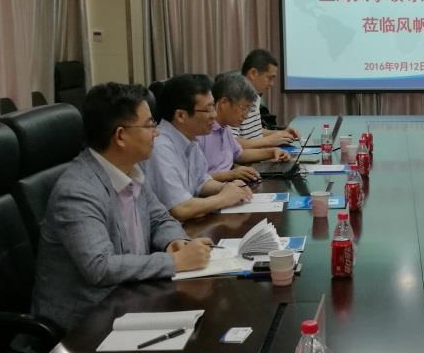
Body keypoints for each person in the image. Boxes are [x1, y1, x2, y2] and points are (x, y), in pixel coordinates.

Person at [33, 83, 212, 332]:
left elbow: (160, 218)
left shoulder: (130, 169)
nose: (156, 133)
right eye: (149, 125)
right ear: (120, 136)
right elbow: (100, 267)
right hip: (86, 323)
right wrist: (174, 261)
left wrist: (173, 242)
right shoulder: (78, 190)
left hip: (131, 299)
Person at [144, 74, 253, 221]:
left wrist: (228, 188)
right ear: (181, 115)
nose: (214, 115)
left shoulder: (190, 138)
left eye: (213, 107)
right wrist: (224, 198)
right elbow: (180, 208)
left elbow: (202, 181)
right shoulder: (160, 147)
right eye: (208, 110)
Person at [197, 72, 291, 183]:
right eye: (243, 108)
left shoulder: (225, 127)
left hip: (231, 185)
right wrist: (231, 174)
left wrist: (272, 152)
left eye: (248, 110)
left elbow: (239, 154)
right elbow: (196, 180)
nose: (246, 116)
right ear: (224, 102)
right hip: (216, 189)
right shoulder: (201, 132)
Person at [233, 49, 299, 149]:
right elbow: (233, 143)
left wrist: (280, 133)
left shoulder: (255, 96)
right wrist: (269, 141)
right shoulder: (234, 99)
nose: (272, 84)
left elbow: (255, 131)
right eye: (270, 78)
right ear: (253, 73)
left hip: (259, 152)